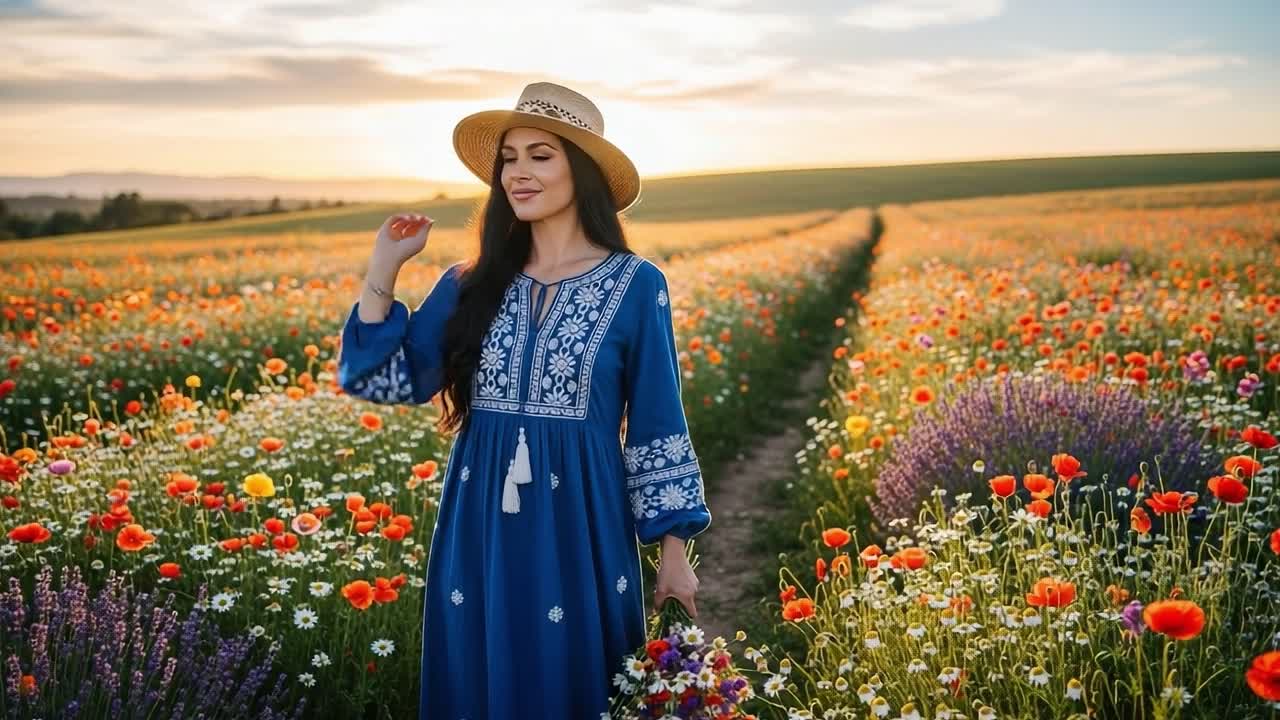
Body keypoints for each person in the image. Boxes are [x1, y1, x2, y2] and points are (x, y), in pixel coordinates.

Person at [336, 82, 713, 719]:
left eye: (540, 155)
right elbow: (382, 381)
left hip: (583, 522)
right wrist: (384, 268)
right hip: (479, 518)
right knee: (481, 675)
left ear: (581, 169)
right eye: (509, 158)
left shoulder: (636, 284)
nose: (518, 173)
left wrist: (674, 553)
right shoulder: (468, 282)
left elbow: (657, 418)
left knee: (576, 680)